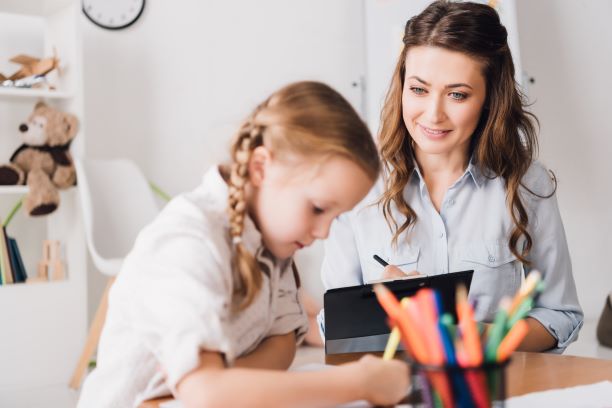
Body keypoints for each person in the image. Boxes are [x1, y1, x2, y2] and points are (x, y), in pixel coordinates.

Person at [77, 81, 410, 408]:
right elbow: (208, 395)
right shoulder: (189, 242)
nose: (323, 232)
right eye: (318, 209)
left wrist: (226, 383)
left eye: (335, 218)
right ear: (260, 167)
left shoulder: (274, 244)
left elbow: (282, 346)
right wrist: (359, 381)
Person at [321, 1, 582, 353]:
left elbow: (560, 314)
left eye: (457, 94)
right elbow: (331, 327)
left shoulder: (526, 184)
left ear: (491, 98)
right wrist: (379, 311)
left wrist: (470, 337)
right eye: (418, 89)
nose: (433, 114)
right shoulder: (360, 183)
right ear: (401, 86)